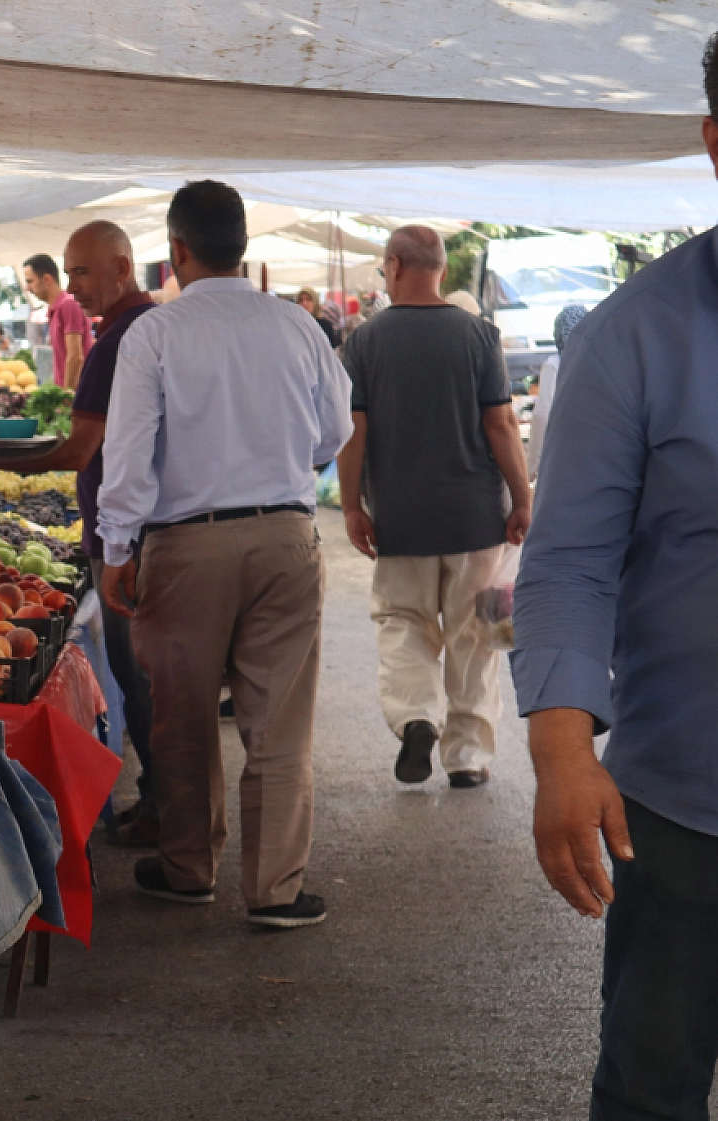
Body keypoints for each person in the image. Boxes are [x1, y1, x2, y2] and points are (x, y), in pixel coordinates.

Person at [515, 39, 718, 1116]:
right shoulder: (634, 334)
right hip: (688, 806)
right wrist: (559, 747)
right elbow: (569, 559)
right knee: (652, 1081)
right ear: (715, 144)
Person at [98, 180, 352, 929]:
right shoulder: (299, 326)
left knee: (181, 713)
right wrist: (278, 466)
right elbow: (333, 430)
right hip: (285, 536)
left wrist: (119, 546)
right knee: (279, 719)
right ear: (244, 246)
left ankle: (188, 868)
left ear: (176, 250)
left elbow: (129, 452)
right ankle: (275, 888)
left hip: (185, 543)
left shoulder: (157, 333)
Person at [0, 220, 159, 845]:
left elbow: (77, 451)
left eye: (83, 272)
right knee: (152, 679)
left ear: (123, 268)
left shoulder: (121, 339)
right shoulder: (149, 329)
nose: (71, 286)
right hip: (148, 530)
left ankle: (165, 811)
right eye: (68, 273)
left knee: (142, 677)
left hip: (127, 538)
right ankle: (166, 803)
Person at [335, 225, 531, 790]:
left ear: (394, 265)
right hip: (474, 517)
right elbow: (500, 425)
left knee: (403, 621)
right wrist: (522, 499)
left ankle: (417, 715)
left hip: (400, 517)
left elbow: (355, 432)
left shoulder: (365, 343)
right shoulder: (479, 335)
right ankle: (467, 757)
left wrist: (353, 507)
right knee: (473, 636)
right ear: (441, 268)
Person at [527, 303, 588, 480]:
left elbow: (542, 416)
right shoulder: (601, 362)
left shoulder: (555, 365)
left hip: (563, 461)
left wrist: (531, 465)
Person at [23, 253, 93, 389]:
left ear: (47, 279)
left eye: (30, 281)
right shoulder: (54, 310)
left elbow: (75, 356)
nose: (27, 288)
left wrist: (66, 396)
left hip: (77, 396)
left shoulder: (68, 305)